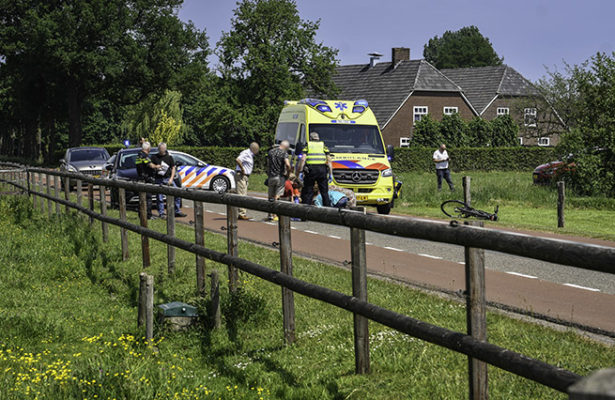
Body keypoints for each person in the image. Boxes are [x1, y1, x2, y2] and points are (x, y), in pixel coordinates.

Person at [151, 143, 186, 218]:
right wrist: (156, 167)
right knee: (159, 197)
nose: (162, 151)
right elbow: (151, 166)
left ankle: (177, 210)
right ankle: (161, 213)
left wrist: (171, 179)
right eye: (161, 149)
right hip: (159, 179)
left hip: (168, 178)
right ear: (159, 149)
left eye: (163, 149)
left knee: (177, 193)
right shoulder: (154, 157)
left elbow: (173, 168)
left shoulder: (169, 157)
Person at [298, 132, 332, 207]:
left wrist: (300, 171)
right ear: (318, 138)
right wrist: (330, 174)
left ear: (310, 138)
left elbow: (303, 159)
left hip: (311, 170)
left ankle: (305, 213)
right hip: (322, 170)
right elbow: (329, 160)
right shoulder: (323, 146)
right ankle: (329, 212)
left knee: (308, 191)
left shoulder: (308, 145)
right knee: (324, 193)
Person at [266, 140, 291, 221]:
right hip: (279, 177)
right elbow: (287, 164)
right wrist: (288, 173)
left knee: (270, 195)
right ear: (286, 147)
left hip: (271, 176)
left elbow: (267, 163)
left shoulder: (271, 152)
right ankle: (275, 214)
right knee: (277, 196)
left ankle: (269, 214)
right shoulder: (284, 153)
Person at [135, 141, 161, 219]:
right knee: (148, 198)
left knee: (142, 198)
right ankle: (148, 215)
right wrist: (158, 166)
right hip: (146, 179)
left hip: (140, 178)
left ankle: (141, 214)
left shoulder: (138, 155)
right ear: (148, 148)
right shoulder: (144, 156)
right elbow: (150, 165)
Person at [235, 142, 260, 220]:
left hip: (245, 176)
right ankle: (241, 213)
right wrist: (242, 168)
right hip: (241, 175)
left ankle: (242, 212)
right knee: (242, 194)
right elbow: (238, 159)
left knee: (243, 193)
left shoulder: (249, 154)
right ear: (254, 149)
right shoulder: (246, 153)